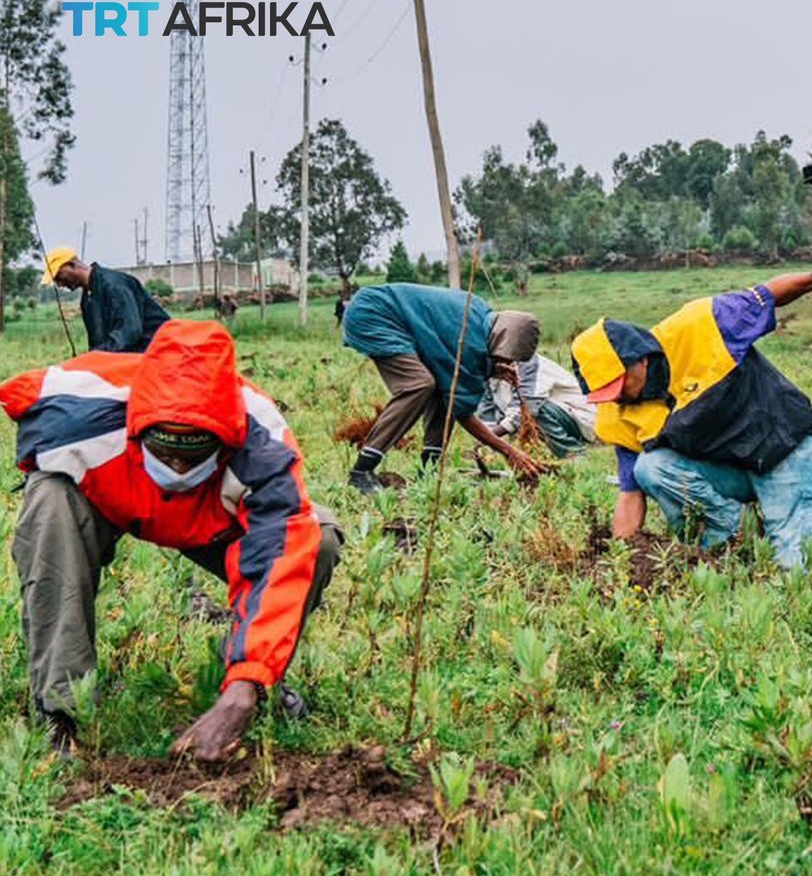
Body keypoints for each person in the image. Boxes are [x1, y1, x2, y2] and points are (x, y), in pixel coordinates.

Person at [1, 319, 341, 762]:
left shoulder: (263, 443)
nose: (179, 469)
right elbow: (20, 399)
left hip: (214, 520)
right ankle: (62, 712)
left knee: (318, 538)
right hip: (115, 499)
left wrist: (247, 681)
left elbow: (281, 546)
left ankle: (248, 684)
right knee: (48, 501)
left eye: (193, 455)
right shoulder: (81, 415)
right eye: (166, 453)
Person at [570, 263, 812, 570]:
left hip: (787, 454)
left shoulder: (702, 325)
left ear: (638, 358)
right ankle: (731, 531)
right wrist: (622, 561)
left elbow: (766, 295)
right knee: (649, 468)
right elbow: (630, 493)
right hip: (729, 474)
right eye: (604, 393)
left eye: (618, 385)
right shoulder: (617, 414)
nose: (616, 398)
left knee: (793, 569)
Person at [341, 283, 548, 493]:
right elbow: (463, 414)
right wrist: (509, 451)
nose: (505, 360)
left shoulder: (480, 315)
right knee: (419, 385)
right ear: (500, 339)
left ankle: (427, 473)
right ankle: (361, 472)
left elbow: (446, 359)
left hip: (383, 310)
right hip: (374, 315)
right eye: (505, 355)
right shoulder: (470, 343)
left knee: (443, 389)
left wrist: (491, 367)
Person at [42, 247, 170, 354]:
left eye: (59, 276)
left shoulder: (114, 286)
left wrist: (96, 357)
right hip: (127, 357)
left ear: (72, 265)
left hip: (156, 351)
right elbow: (98, 340)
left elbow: (129, 332)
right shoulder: (88, 296)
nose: (59, 284)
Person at [476, 353, 597, 457]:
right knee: (514, 420)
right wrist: (486, 445)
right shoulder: (488, 374)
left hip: (581, 418)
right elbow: (487, 416)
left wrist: (487, 438)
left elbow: (527, 407)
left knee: (532, 412)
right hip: (561, 418)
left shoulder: (528, 363)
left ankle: (573, 453)